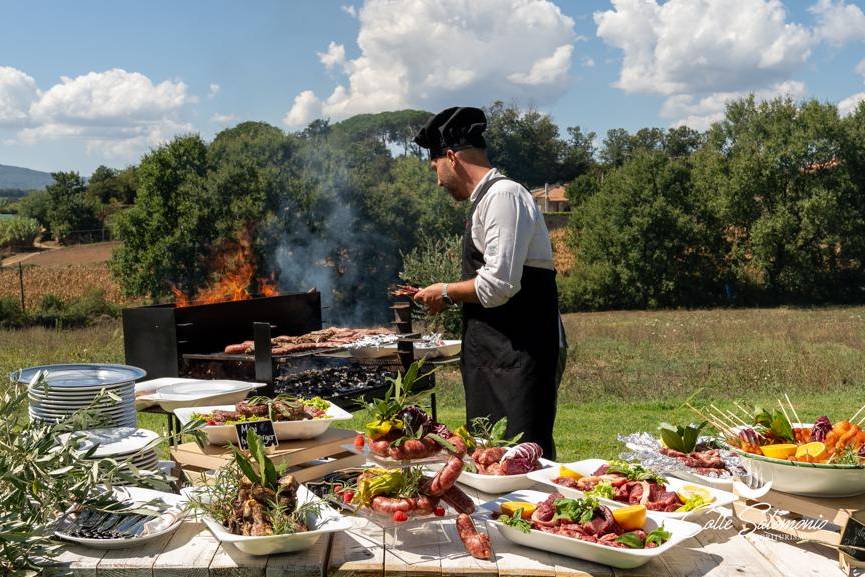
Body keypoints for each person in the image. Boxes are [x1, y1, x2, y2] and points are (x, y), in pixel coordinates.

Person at [411, 106, 564, 459]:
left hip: (517, 359)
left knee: (521, 463)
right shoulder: (488, 201)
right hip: (495, 358)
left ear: (451, 157)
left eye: (435, 167)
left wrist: (445, 291)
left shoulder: (503, 197)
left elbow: (498, 285)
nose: (437, 180)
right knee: (491, 458)